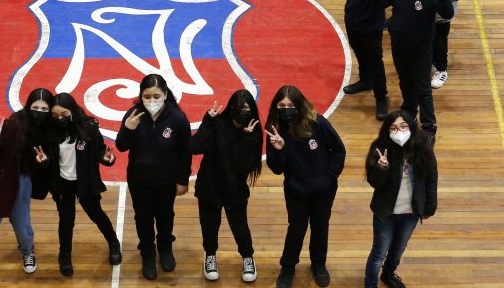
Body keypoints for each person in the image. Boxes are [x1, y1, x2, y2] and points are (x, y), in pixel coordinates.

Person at [265, 85, 345, 288]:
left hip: (323, 190)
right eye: (281, 105)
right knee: (296, 228)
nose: (286, 109)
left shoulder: (316, 123)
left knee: (320, 227)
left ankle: (319, 264)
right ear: (276, 106)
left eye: (290, 105)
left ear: (299, 105)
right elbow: (276, 168)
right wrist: (280, 149)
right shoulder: (274, 130)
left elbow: (338, 150)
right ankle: (288, 266)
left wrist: (330, 177)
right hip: (296, 191)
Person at [0, 88, 54, 281]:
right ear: (28, 106)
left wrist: (45, 160)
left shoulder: (49, 130)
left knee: (23, 223)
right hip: (2, 181)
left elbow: (49, 160)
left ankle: (28, 251)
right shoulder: (13, 124)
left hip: (24, 181)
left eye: (44, 108)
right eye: (35, 107)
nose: (39, 111)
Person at [115, 74, 191, 281]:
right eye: (147, 96)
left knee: (165, 216)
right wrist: (128, 130)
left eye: (156, 96)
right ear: (141, 96)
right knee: (143, 217)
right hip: (139, 181)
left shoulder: (177, 118)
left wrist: (182, 180)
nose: (152, 100)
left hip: (167, 180)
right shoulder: (133, 115)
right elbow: (121, 146)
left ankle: (165, 247)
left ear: (165, 95)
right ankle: (148, 252)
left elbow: (185, 152)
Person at [374, 0, 454, 141]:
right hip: (399, 46)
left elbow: (448, 13)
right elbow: (383, 2)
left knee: (423, 89)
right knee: (405, 82)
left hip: (421, 50)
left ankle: (429, 128)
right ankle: (410, 110)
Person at [44, 93, 122, 276]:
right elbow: (49, 159)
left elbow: (99, 150)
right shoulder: (49, 132)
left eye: (63, 114)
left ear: (72, 111)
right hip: (63, 183)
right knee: (66, 220)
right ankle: (64, 254)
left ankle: (113, 242)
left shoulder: (88, 127)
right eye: (55, 116)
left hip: (85, 182)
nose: (59, 119)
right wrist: (43, 161)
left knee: (96, 214)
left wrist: (106, 158)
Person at [190, 90, 262, 282]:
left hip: (234, 191)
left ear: (252, 110)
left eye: (246, 108)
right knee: (209, 227)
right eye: (238, 107)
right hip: (209, 187)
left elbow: (245, 167)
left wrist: (246, 140)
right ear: (231, 108)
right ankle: (210, 256)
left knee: (240, 229)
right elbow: (194, 147)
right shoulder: (217, 124)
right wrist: (207, 121)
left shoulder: (253, 132)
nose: (242, 111)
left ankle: (248, 257)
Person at [363, 111, 438, 288]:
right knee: (379, 252)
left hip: (411, 213)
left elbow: (431, 178)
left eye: (403, 127)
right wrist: (382, 168)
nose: (399, 131)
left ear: (411, 128)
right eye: (394, 128)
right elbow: (374, 183)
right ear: (387, 130)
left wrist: (429, 207)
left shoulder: (422, 148)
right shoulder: (380, 148)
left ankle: (388, 275)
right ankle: (370, 284)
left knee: (398, 250)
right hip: (385, 212)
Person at [324, 0, 390, 118]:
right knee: (360, 54)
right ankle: (365, 80)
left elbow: (386, 0)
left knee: (375, 62)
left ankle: (381, 98)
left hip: (372, 25)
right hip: (353, 21)